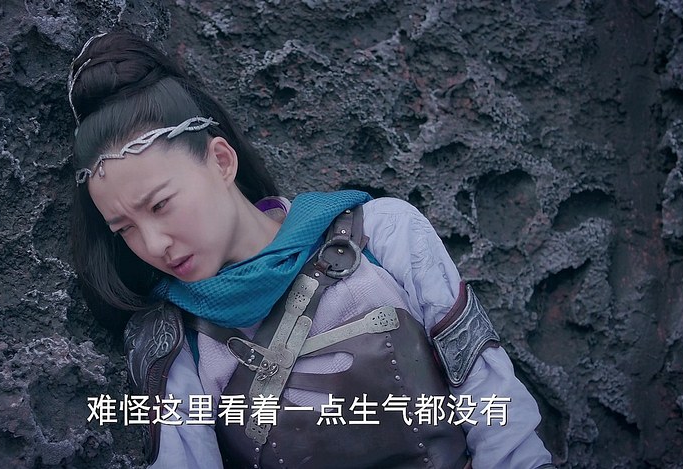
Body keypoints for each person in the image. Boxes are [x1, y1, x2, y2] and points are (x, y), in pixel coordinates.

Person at [68, 30, 555, 469]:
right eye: (124, 229)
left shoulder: (383, 233)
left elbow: (498, 414)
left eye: (160, 205)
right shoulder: (169, 342)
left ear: (220, 160)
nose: (153, 244)